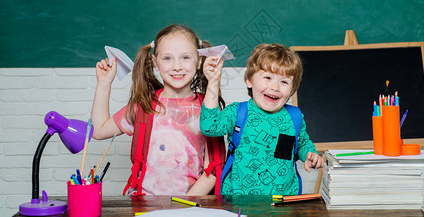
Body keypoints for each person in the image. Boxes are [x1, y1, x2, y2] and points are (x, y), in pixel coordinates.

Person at [91, 24, 225, 196]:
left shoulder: (209, 108)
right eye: (167, 58)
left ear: (199, 61)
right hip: (143, 204)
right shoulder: (144, 105)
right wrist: (103, 84)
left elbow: (211, 171)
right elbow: (99, 130)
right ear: (155, 62)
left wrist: (182, 207)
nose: (177, 66)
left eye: (185, 57)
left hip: (189, 206)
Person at [200, 43, 324, 195]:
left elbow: (302, 143)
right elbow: (209, 126)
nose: (275, 87)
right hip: (238, 200)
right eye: (268, 77)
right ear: (249, 80)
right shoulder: (238, 112)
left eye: (284, 82)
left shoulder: (294, 116)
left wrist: (309, 155)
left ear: (292, 89)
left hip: (282, 202)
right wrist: (213, 82)